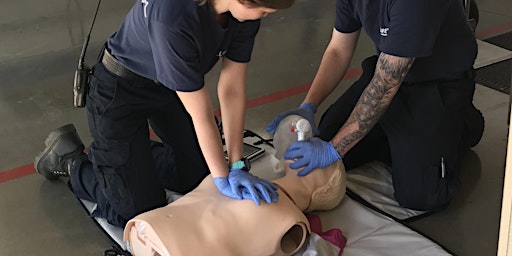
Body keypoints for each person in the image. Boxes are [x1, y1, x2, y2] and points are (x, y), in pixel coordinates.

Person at [34, 0, 294, 227]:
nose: (265, 16)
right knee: (139, 212)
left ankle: (125, 156)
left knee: (200, 177)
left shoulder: (243, 14)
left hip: (170, 89)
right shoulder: (172, 16)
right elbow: (201, 114)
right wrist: (224, 175)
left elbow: (232, 89)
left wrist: (236, 165)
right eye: (263, 11)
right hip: (120, 90)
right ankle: (70, 161)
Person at [267, 0, 485, 211]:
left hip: (435, 86)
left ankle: (463, 124)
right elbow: (338, 50)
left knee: (422, 195)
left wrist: (334, 149)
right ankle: (399, 138)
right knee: (326, 141)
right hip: (386, 72)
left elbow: (385, 85)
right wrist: (309, 105)